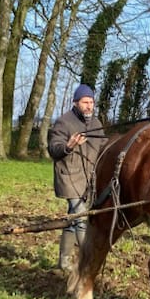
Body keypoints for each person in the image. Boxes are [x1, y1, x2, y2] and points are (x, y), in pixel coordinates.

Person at [47, 84, 107, 271]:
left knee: (71, 223)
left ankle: (64, 263)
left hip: (89, 179)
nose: (89, 106)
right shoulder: (64, 122)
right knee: (81, 220)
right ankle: (88, 263)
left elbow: (104, 146)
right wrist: (69, 146)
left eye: (91, 102)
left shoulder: (96, 123)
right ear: (76, 103)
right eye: (85, 102)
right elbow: (54, 149)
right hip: (69, 177)